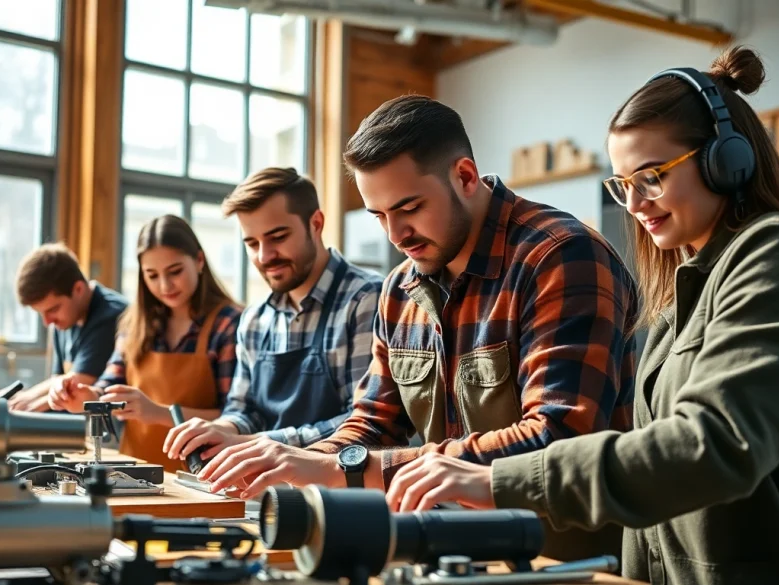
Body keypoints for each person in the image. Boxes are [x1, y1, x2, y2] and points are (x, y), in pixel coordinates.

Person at [382, 47, 779, 585]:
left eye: (652, 176)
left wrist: (497, 479)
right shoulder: (674, 302)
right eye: (622, 185)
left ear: (726, 160)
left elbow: (715, 446)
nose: (634, 203)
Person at [195, 95, 640, 559]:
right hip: (449, 550)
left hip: (567, 559)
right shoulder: (400, 289)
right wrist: (299, 463)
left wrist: (351, 467)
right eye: (380, 215)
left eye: (408, 207)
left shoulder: (560, 257)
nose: (395, 234)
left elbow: (558, 438)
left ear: (465, 177)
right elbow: (373, 422)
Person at [162, 167, 383, 458]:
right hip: (268, 492)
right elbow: (244, 410)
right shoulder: (254, 321)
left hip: (341, 495)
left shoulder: (367, 300)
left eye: (277, 237)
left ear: (315, 224)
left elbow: (365, 422)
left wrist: (259, 443)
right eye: (252, 244)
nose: (264, 256)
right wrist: (221, 429)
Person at [48, 215, 242, 471]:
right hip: (136, 474)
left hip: (205, 478)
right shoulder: (134, 324)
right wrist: (87, 397)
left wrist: (159, 413)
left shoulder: (228, 324)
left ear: (199, 261)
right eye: (152, 275)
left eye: (175, 272)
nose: (165, 285)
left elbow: (235, 418)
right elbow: (110, 387)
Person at [12, 243, 127, 412]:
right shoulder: (65, 319)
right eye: (41, 313)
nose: (47, 321)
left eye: (52, 309)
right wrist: (14, 403)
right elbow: (57, 381)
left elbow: (74, 387)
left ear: (78, 289)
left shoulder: (112, 317)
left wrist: (20, 408)